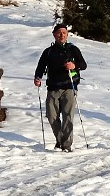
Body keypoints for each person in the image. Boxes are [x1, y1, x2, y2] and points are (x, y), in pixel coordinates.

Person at [33, 22, 87, 151]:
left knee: (68, 117)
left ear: (67, 35)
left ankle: (66, 145)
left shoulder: (73, 49)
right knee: (52, 116)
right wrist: (37, 77)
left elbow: (83, 64)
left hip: (70, 86)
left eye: (64, 33)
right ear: (54, 35)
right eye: (59, 33)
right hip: (53, 87)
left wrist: (74, 66)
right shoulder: (48, 51)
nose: (61, 35)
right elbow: (40, 67)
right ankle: (60, 140)